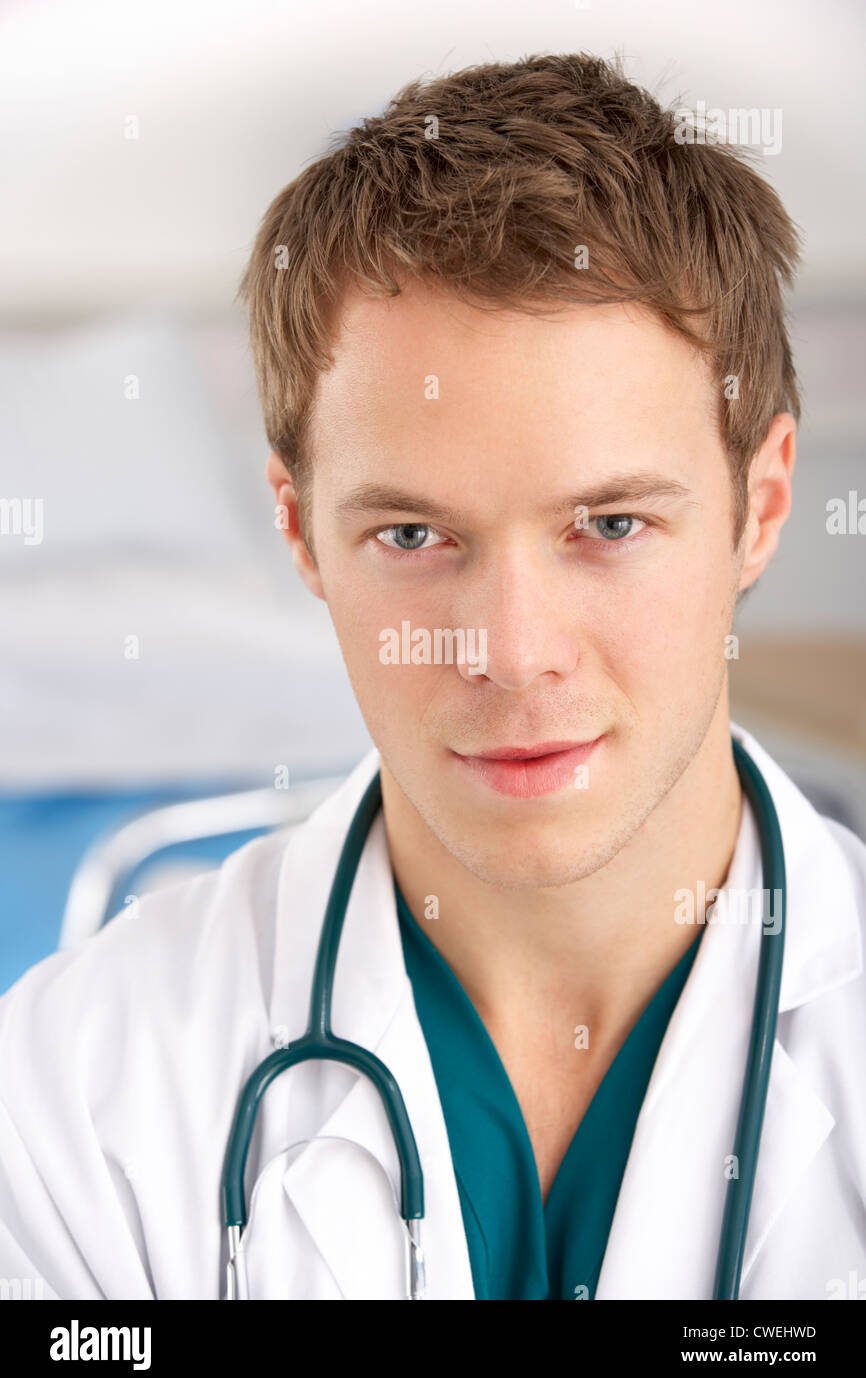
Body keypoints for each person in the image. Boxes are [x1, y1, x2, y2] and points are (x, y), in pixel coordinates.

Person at [2, 51, 865, 1302]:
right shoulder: (76, 1098)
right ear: (298, 532)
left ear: (761, 502)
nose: (510, 654)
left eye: (608, 526)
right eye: (412, 537)